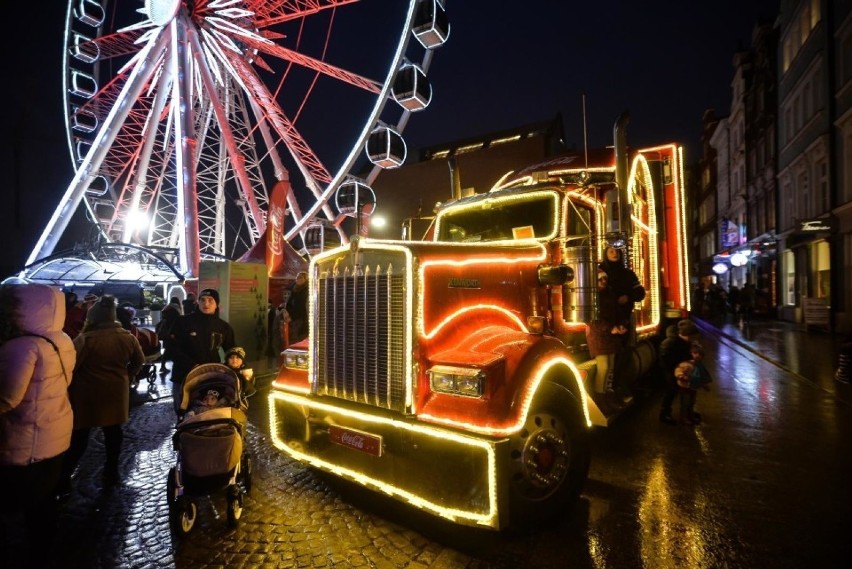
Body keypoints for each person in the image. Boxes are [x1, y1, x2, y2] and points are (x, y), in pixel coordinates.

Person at [0, 283, 76, 555]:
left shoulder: (22, 347)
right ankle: (45, 547)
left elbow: (8, 397)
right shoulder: (63, 340)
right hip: (56, 428)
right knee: (43, 500)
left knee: (21, 500)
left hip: (25, 437)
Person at [58, 295, 145, 494]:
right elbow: (139, 361)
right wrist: (127, 376)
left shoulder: (86, 339)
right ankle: (112, 471)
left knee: (79, 437)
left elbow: (72, 366)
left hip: (88, 395)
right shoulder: (127, 336)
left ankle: (64, 478)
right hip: (116, 393)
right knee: (114, 434)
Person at [169, 288, 236, 412]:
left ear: (217, 304)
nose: (206, 304)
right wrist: (192, 365)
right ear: (197, 302)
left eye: (210, 300)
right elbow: (172, 348)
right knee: (183, 412)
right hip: (183, 377)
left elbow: (231, 350)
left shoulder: (224, 327)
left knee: (208, 414)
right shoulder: (183, 322)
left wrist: (237, 362)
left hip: (210, 378)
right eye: (203, 300)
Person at [597, 244, 646, 402]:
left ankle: (617, 389)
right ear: (605, 253)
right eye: (611, 251)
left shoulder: (628, 274)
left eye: (617, 251)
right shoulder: (599, 272)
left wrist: (628, 296)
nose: (614, 253)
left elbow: (640, 292)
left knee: (623, 355)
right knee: (608, 363)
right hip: (606, 322)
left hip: (623, 319)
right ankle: (607, 394)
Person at [659, 319, 698, 425]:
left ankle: (687, 413)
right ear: (687, 334)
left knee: (683, 391)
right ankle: (665, 413)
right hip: (671, 370)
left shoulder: (684, 342)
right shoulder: (671, 343)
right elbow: (666, 359)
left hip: (678, 370)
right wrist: (680, 366)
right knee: (671, 390)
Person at [157, 296, 183, 376]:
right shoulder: (175, 309)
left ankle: (163, 366)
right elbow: (176, 321)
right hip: (172, 334)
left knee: (167, 350)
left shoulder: (166, 308)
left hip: (166, 334)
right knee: (176, 350)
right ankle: (177, 368)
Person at [285, 271, 309, 344]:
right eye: (297, 277)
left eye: (300, 277)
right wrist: (287, 312)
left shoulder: (307, 290)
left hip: (302, 319)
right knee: (293, 338)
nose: (298, 279)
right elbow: (289, 303)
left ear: (305, 279)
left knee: (299, 338)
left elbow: (302, 307)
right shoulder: (294, 289)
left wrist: (291, 316)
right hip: (293, 318)